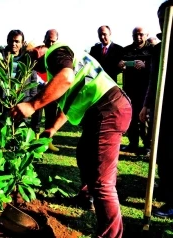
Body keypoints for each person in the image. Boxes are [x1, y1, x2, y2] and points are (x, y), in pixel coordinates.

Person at [11, 41, 132, 237]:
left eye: (30, 62)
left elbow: (66, 78)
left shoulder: (55, 53)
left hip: (107, 110)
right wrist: (51, 129)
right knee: (84, 154)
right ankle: (85, 197)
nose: (32, 68)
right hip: (104, 111)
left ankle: (110, 235)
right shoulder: (60, 63)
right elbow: (70, 98)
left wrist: (33, 105)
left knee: (102, 182)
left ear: (36, 51)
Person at [139, 0, 173, 218]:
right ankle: (167, 187)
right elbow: (153, 79)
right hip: (164, 107)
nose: (164, 21)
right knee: (163, 152)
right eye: (161, 17)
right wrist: (146, 105)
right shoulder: (159, 48)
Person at [0, 29, 37, 129]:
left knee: (18, 132)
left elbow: (33, 82)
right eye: (11, 41)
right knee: (0, 129)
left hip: (21, 101)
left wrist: (30, 100)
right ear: (7, 41)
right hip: (1, 102)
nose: (13, 44)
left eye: (17, 41)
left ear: (22, 43)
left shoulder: (28, 58)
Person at [118, 27, 154, 156]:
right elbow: (119, 66)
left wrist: (146, 66)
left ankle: (148, 146)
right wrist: (121, 64)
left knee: (145, 119)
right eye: (135, 35)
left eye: (141, 35)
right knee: (131, 118)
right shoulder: (126, 50)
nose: (138, 37)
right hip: (129, 90)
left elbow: (158, 69)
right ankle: (133, 144)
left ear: (146, 35)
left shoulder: (152, 50)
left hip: (146, 92)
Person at [29, 29, 60, 152]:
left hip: (52, 89)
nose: (51, 44)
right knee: (36, 115)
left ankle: (48, 142)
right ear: (44, 39)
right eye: (49, 41)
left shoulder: (58, 54)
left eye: (53, 41)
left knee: (51, 114)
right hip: (37, 88)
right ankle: (34, 141)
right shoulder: (38, 52)